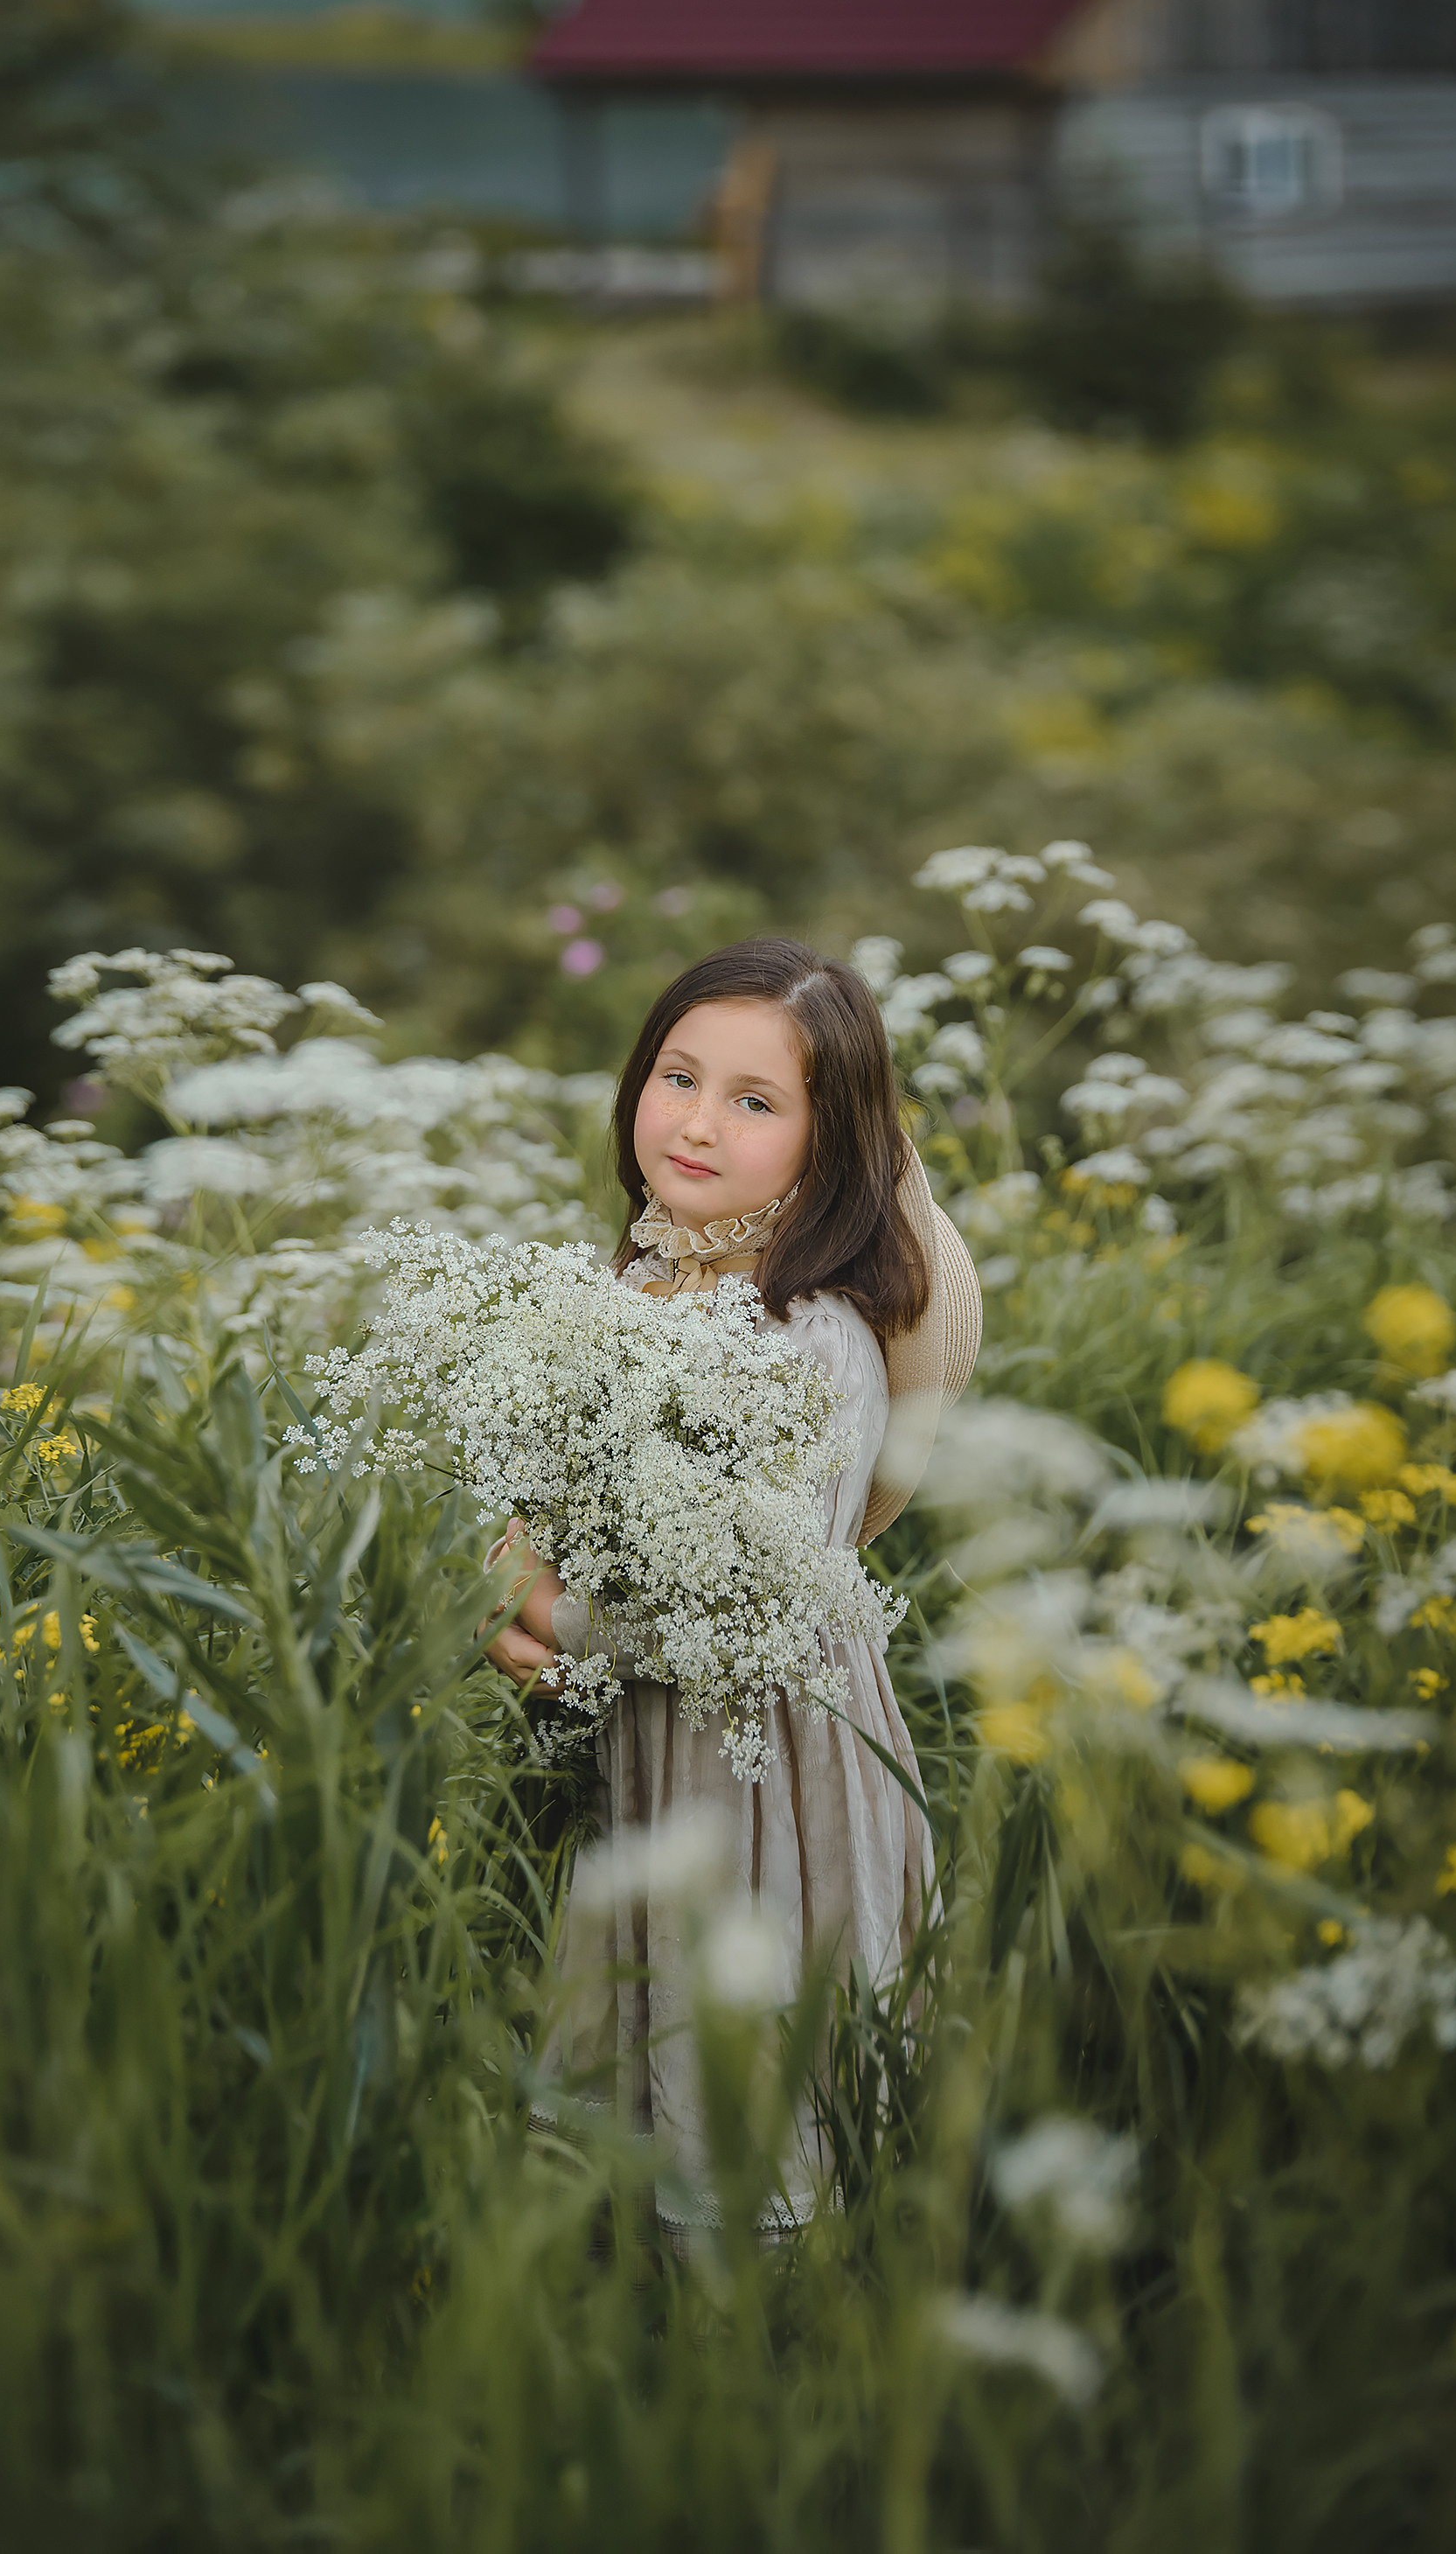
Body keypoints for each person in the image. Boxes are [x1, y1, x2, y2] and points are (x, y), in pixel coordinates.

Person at [484, 938, 981, 2232]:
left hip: (765, 1767)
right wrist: (512, 1562)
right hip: (642, 1744)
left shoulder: (810, 1338)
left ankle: (761, 2348)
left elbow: (739, 1608)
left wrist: (542, 1615)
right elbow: (555, 1503)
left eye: (754, 1102)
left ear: (830, 1143)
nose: (697, 1124)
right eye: (677, 1076)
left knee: (745, 2074)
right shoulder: (642, 1281)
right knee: (629, 2074)